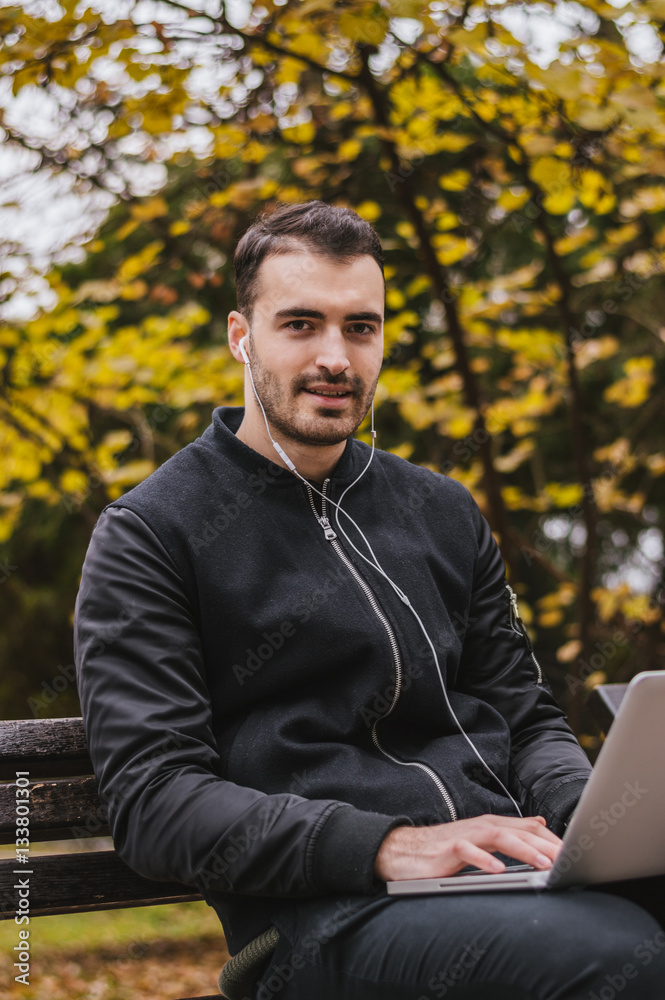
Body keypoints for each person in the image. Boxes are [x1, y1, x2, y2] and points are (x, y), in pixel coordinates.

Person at [74, 200, 665, 1000]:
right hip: (317, 920)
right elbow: (154, 800)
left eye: (360, 328)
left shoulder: (441, 512)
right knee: (616, 958)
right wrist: (391, 845)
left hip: (506, 878)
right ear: (240, 336)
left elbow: (524, 720)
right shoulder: (153, 533)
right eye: (300, 325)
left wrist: (589, 824)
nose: (335, 358)